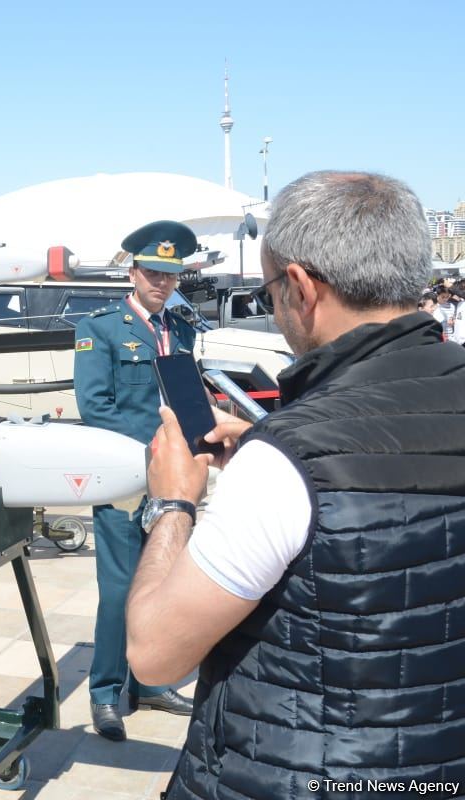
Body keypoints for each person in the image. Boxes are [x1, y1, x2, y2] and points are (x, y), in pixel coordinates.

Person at [126, 171, 465, 799]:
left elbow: (155, 653)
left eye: (269, 289)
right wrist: (268, 440)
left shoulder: (287, 464)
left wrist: (173, 501)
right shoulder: (284, 453)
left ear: (302, 287)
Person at [73, 219, 198, 742]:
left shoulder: (183, 327)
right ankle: (105, 693)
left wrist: (201, 442)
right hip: (127, 479)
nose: (162, 284)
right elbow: (94, 406)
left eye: (170, 275)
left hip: (173, 480)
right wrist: (154, 445)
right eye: (153, 273)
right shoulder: (100, 328)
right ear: (133, 270)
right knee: (120, 588)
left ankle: (148, 682)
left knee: (166, 583)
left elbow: (188, 398)